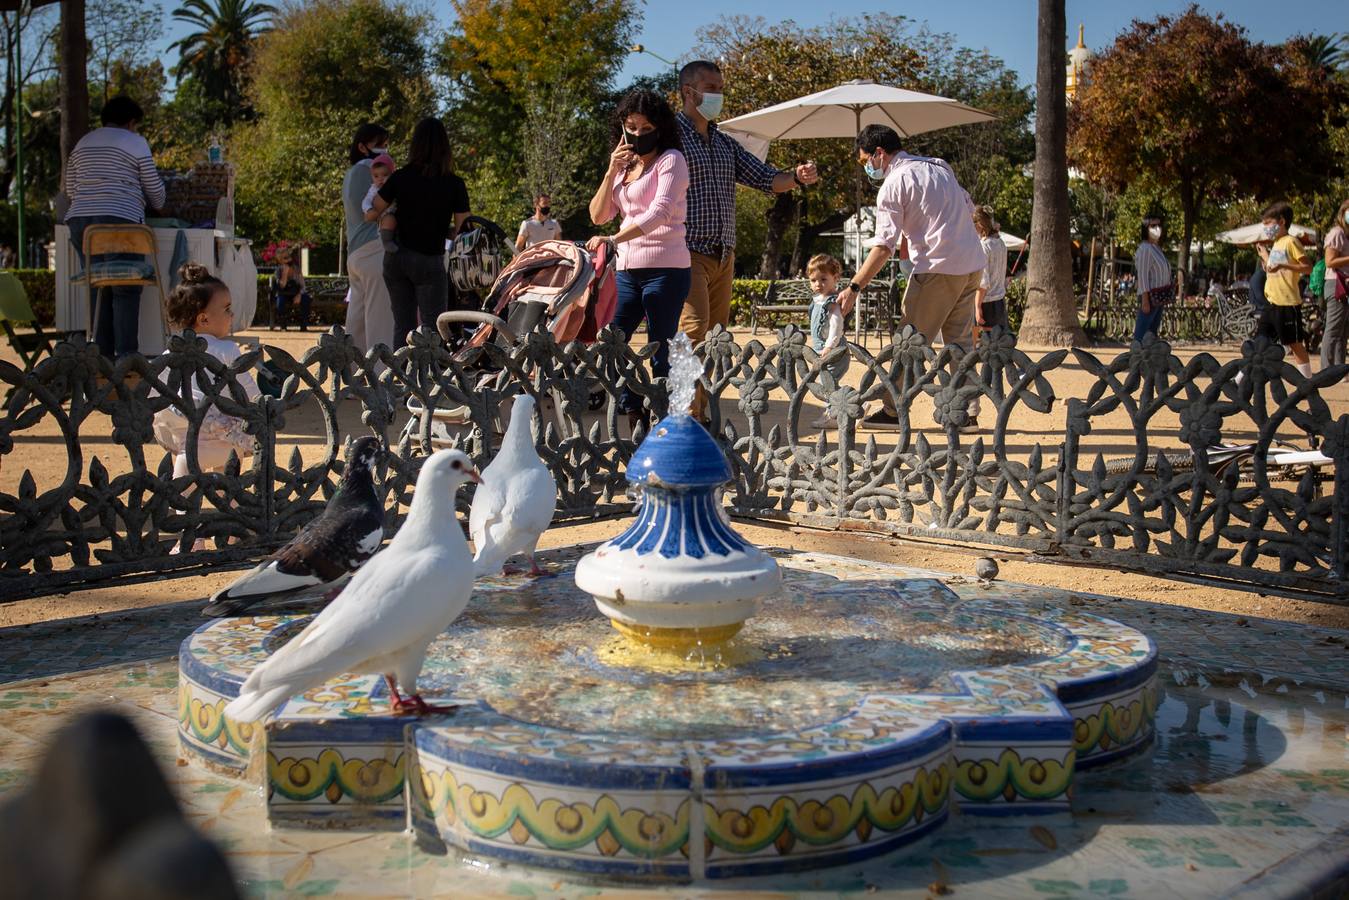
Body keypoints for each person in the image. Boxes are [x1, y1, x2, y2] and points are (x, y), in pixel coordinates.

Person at [675, 60, 818, 414]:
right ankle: (680, 415)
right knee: (692, 335)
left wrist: (796, 177)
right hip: (686, 252)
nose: (719, 95)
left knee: (716, 339)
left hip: (724, 256)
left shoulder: (724, 143)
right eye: (712, 88)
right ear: (689, 92)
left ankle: (700, 410)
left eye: (722, 88)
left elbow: (766, 178)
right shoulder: (670, 140)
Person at [835, 124, 986, 432]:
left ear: (879, 154)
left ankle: (892, 410)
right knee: (958, 342)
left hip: (937, 268)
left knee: (909, 341)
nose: (867, 169)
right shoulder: (939, 166)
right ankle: (966, 410)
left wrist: (854, 286)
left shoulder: (893, 184)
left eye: (866, 162)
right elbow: (969, 208)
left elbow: (882, 247)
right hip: (971, 263)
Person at [586, 89, 690, 425]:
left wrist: (614, 239)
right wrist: (609, 171)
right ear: (622, 127)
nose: (638, 134)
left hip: (666, 267)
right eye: (632, 127)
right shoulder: (624, 166)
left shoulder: (671, 160)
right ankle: (633, 408)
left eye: (647, 129)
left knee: (661, 350)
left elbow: (659, 213)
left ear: (660, 128)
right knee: (613, 342)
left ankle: (666, 417)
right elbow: (598, 216)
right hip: (628, 269)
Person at [63, 95, 166, 359]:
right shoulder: (135, 142)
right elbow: (154, 189)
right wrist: (158, 202)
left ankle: (101, 358)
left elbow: (71, 189)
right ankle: (127, 358)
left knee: (99, 285)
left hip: (81, 223)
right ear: (131, 122)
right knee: (125, 287)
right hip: (121, 221)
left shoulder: (83, 143)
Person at [152, 263, 260, 484]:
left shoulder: (172, 351)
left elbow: (156, 387)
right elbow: (246, 387)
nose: (231, 314)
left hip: (189, 436)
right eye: (227, 309)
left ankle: (181, 510)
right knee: (228, 482)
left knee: (184, 479)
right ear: (204, 319)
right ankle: (230, 507)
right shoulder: (227, 349)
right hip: (227, 436)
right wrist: (261, 406)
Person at [373, 116, 470, 349]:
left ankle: (398, 378)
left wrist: (393, 219)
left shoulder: (400, 177)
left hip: (397, 256)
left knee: (402, 325)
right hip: (429, 259)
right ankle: (428, 380)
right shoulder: (454, 184)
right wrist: (439, 228)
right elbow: (464, 230)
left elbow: (376, 206)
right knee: (432, 327)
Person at [341, 123, 395, 354]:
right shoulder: (369, 169)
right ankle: (382, 376)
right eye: (379, 144)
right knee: (380, 322)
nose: (384, 150)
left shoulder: (350, 174)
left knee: (357, 322)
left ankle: (352, 377)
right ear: (363, 147)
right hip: (374, 249)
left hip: (355, 252)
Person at [1255, 201, 1314, 378]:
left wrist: (1283, 264)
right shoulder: (1277, 243)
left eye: (1268, 223)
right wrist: (1265, 257)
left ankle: (1307, 381)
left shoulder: (1291, 242)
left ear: (1281, 221)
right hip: (1272, 302)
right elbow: (1274, 269)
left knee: (1295, 344)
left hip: (1287, 303)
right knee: (1259, 343)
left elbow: (1307, 267)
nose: (1266, 228)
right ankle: (1241, 378)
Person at [805, 253, 849, 429]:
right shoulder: (816, 301)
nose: (818, 284)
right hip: (821, 350)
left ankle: (835, 414)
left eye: (823, 279)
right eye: (813, 280)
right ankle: (841, 408)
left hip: (834, 351)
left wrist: (830, 346)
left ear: (835, 278)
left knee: (828, 382)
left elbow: (836, 326)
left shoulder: (832, 302)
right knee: (827, 381)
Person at [1132, 214, 1173, 343]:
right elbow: (1143, 275)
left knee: (1151, 336)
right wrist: (1145, 301)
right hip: (1149, 297)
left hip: (1160, 296)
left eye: (1159, 225)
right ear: (1146, 228)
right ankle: (1134, 359)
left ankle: (1148, 361)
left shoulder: (1156, 248)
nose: (1157, 228)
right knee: (1141, 335)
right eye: (1153, 226)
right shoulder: (1145, 249)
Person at [1320, 198, 1349, 371]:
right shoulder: (1337, 233)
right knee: (1333, 329)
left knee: (1343, 330)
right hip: (1335, 285)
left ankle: (1340, 369)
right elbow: (1330, 261)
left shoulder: (1346, 235)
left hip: (1344, 286)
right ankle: (1326, 369)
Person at [972, 205, 1008, 338]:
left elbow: (983, 283)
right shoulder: (1001, 243)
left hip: (986, 303)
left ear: (980, 225)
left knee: (984, 348)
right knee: (1000, 348)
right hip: (999, 301)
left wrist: (977, 307)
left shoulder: (983, 246)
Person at [362, 154, 399, 254]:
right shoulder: (374, 189)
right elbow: (366, 201)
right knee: (389, 220)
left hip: (396, 214)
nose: (380, 179)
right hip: (384, 216)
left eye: (385, 175)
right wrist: (369, 209)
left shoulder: (396, 186)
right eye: (376, 176)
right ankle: (387, 242)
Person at [269, 247, 309, 331]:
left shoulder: (297, 269)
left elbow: (303, 286)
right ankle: (283, 326)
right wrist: (285, 274)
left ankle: (303, 326)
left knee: (306, 299)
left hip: (295, 293)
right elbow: (282, 286)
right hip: (284, 294)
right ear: (280, 261)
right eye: (285, 258)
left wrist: (299, 295)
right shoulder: (278, 271)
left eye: (289, 257)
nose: (288, 260)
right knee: (280, 302)